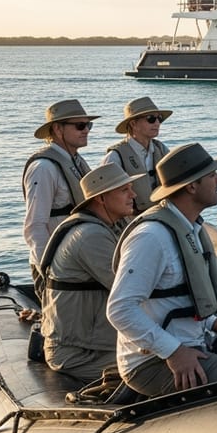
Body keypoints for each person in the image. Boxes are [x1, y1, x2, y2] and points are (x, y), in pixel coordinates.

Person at [107, 143, 217, 398]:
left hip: (192, 344)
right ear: (191, 186)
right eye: (212, 175)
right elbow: (120, 309)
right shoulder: (152, 237)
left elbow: (180, 299)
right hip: (152, 361)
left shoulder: (191, 230)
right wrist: (174, 352)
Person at [38, 163, 143, 383]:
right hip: (79, 353)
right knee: (162, 367)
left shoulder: (105, 227)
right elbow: (131, 289)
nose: (133, 194)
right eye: (124, 190)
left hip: (94, 344)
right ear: (101, 199)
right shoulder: (90, 236)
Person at [24, 99, 99, 299]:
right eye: (80, 125)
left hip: (77, 262)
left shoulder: (76, 161)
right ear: (57, 129)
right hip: (58, 268)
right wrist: (49, 270)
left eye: (88, 125)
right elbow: (35, 226)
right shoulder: (44, 168)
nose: (86, 130)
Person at [101, 97, 172, 214]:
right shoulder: (115, 156)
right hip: (131, 221)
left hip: (161, 216)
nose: (157, 123)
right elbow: (106, 198)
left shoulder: (162, 149)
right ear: (133, 123)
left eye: (159, 119)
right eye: (151, 119)